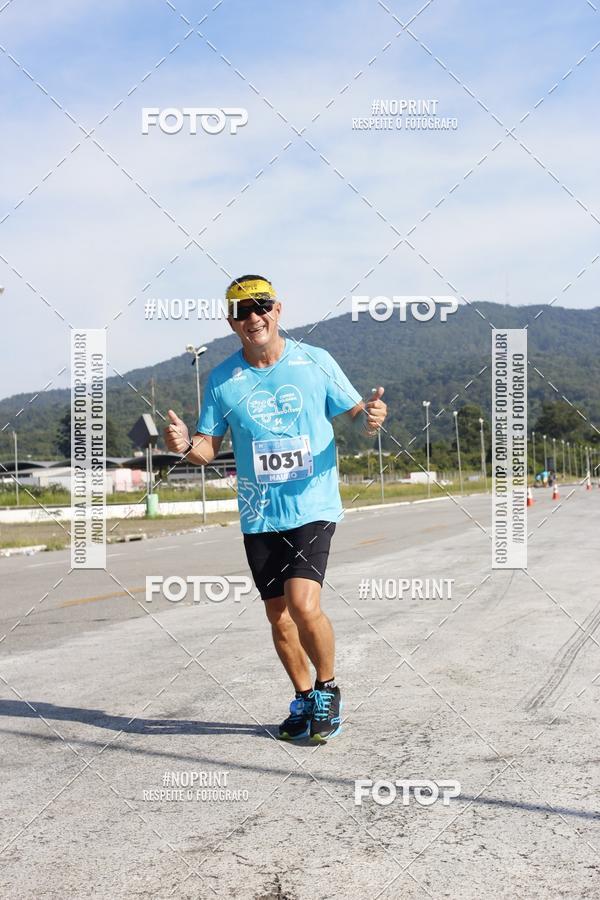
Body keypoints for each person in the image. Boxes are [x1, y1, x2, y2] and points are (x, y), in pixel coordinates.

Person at [164, 275, 387, 743]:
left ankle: (327, 690)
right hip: (259, 514)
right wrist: (185, 445)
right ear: (231, 323)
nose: (253, 317)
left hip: (313, 504)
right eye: (242, 312)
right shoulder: (223, 379)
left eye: (260, 306)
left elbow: (355, 414)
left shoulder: (315, 362)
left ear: (278, 309)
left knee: (305, 604)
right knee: (278, 615)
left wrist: (371, 418)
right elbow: (208, 448)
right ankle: (303, 698)